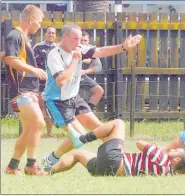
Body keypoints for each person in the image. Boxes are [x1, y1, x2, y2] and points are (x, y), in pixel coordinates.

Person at [41, 23, 142, 171]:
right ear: (65, 37)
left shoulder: (80, 49)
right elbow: (61, 81)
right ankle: (51, 159)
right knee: (81, 136)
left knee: (100, 129)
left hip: (74, 98)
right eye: (76, 39)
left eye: (81, 39)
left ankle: (117, 160)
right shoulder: (54, 54)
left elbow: (100, 51)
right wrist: (75, 60)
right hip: (57, 102)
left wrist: (123, 47)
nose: (79, 43)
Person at [48, 119, 185, 176]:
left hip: (115, 160)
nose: (172, 149)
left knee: (119, 123)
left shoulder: (162, 158)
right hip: (108, 172)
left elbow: (140, 144)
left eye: (175, 151)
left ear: (175, 161)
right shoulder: (168, 175)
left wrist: (157, 148)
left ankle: (82, 139)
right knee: (78, 155)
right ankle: (47, 172)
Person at [3, 5, 47, 176]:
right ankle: (31, 165)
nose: (40, 26)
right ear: (31, 20)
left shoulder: (22, 37)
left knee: (29, 128)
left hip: (24, 93)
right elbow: (11, 60)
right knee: (38, 123)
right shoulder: (15, 35)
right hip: (21, 92)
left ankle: (12, 167)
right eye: (39, 22)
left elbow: (8, 55)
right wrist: (34, 70)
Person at [33, 26, 57, 137]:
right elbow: (31, 63)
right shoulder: (37, 47)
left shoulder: (58, 48)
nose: (51, 35)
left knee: (49, 107)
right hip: (39, 81)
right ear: (45, 34)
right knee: (40, 107)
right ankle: (36, 132)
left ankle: (49, 133)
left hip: (53, 82)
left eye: (53, 33)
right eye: (49, 33)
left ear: (55, 35)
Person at [79, 31, 104, 112]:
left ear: (88, 41)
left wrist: (85, 71)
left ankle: (88, 112)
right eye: (81, 40)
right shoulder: (73, 47)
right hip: (70, 78)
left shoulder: (91, 50)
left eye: (85, 40)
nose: (83, 42)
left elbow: (98, 67)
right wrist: (82, 60)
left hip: (82, 77)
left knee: (99, 90)